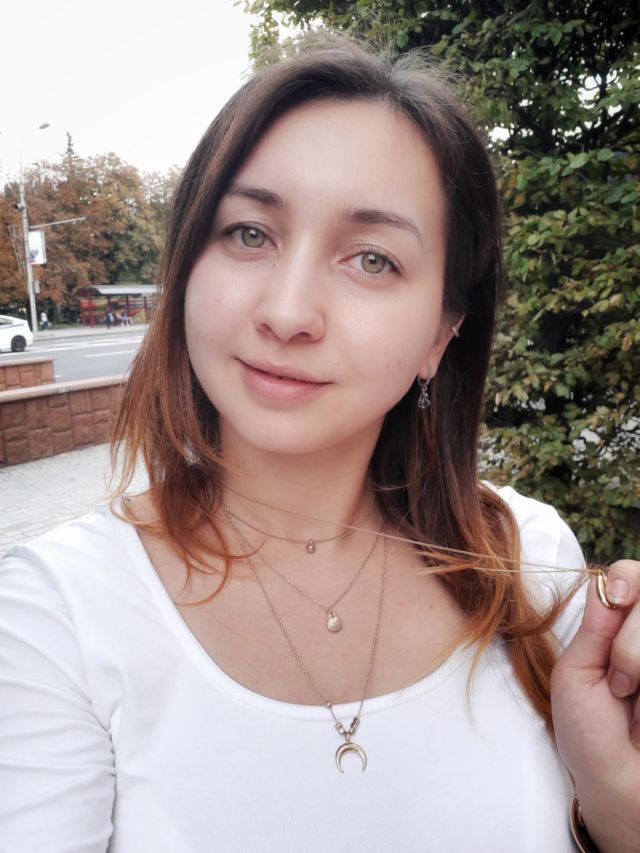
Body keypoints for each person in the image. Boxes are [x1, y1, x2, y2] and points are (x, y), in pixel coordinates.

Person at [1, 35, 638, 853]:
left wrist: (615, 804)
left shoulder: (530, 566)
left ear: (441, 334)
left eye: (371, 259)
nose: (287, 311)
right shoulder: (56, 618)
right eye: (249, 234)